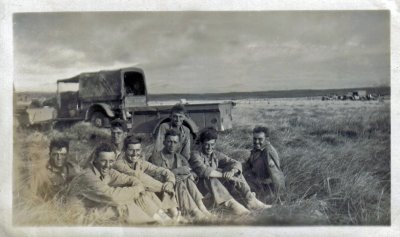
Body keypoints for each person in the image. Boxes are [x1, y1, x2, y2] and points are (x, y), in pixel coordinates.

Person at [66, 143, 171, 225]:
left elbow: (131, 179)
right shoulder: (87, 176)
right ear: (96, 159)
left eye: (111, 161)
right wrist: (136, 189)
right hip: (80, 217)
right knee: (122, 204)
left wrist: (137, 187)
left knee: (139, 195)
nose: (107, 165)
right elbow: (113, 197)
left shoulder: (108, 171)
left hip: (96, 208)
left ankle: (166, 220)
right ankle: (151, 226)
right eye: (103, 161)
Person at [190, 128, 269, 215]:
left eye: (212, 144)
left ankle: (250, 200)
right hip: (200, 190)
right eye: (207, 144)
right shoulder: (195, 154)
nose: (209, 148)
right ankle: (231, 204)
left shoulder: (215, 154)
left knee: (235, 171)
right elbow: (204, 171)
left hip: (215, 188)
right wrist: (224, 175)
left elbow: (235, 162)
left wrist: (232, 171)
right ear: (201, 143)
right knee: (212, 177)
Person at [150, 129, 212, 219]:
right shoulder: (155, 158)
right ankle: (195, 211)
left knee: (187, 180)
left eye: (175, 142)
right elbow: (155, 177)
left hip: (180, 188)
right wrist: (176, 172)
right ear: (164, 142)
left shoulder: (180, 158)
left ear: (178, 145)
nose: (172, 145)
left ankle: (202, 208)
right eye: (169, 142)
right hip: (163, 191)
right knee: (180, 181)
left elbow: (190, 171)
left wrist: (187, 175)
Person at [113, 136, 179, 219]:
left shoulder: (140, 163)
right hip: (124, 199)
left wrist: (170, 182)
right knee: (143, 192)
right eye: (131, 150)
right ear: (125, 150)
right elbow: (137, 176)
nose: (134, 153)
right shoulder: (118, 164)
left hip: (140, 194)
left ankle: (173, 215)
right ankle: (167, 218)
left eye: (137, 150)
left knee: (148, 192)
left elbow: (162, 170)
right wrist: (163, 187)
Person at [243, 126, 285, 201]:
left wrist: (281, 196)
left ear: (267, 139)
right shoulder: (256, 150)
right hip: (256, 183)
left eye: (260, 139)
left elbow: (276, 175)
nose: (256, 142)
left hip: (266, 188)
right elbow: (248, 166)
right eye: (255, 139)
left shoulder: (268, 152)